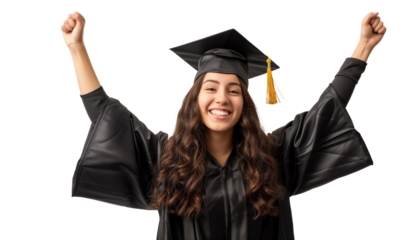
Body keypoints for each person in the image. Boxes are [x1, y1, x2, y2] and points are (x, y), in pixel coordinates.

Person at [63, 9, 385, 240]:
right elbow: (105, 114)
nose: (222, 99)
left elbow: (325, 111)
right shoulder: (168, 159)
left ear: (245, 101)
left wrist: (364, 47)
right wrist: (77, 47)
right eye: (211, 88)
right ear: (195, 98)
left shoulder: (273, 156)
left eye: (234, 90)